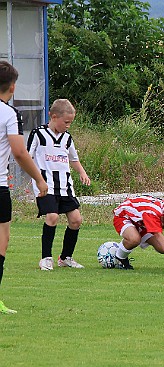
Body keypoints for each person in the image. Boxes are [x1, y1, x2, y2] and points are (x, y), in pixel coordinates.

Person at [0, 61, 48, 314]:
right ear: (13, 86)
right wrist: (39, 179)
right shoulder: (9, 113)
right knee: (1, 240)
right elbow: (19, 152)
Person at [27, 99, 91, 271]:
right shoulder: (38, 134)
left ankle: (65, 257)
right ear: (54, 117)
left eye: (71, 122)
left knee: (76, 220)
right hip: (45, 186)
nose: (68, 125)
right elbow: (26, 156)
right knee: (52, 216)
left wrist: (82, 173)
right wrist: (36, 178)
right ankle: (46, 258)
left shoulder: (67, 138)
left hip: (65, 186)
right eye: (66, 122)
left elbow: (73, 159)